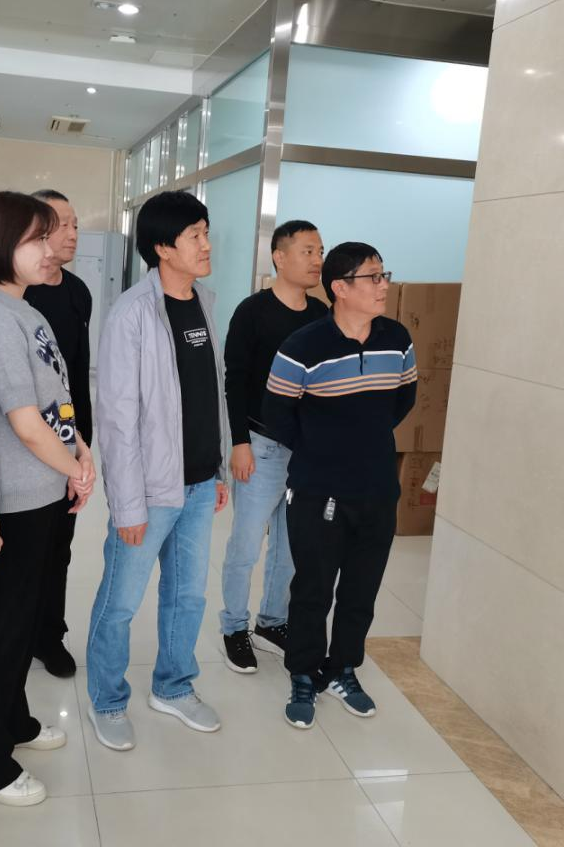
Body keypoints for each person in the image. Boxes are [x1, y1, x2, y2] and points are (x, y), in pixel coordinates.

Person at [0, 191, 95, 806]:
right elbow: (25, 423)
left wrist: (79, 449)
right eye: (36, 238)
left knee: (20, 623)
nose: (50, 248)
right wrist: (77, 470)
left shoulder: (24, 307)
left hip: (43, 489)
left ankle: (13, 723)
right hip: (13, 498)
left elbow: (55, 400)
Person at [86, 190, 229, 752]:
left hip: (199, 483)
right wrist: (127, 505)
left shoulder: (204, 303)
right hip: (148, 489)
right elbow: (117, 419)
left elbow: (210, 394)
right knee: (121, 602)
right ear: (163, 248)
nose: (207, 244)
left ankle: (173, 686)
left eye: (205, 232)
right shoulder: (133, 314)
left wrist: (217, 468)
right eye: (195, 235)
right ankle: (107, 699)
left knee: (188, 596)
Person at [263, 242, 417, 730]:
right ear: (340, 288)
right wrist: (322, 449)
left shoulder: (397, 338)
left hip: (377, 489)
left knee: (361, 590)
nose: (384, 285)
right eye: (373, 277)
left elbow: (404, 399)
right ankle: (303, 673)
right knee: (313, 589)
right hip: (317, 492)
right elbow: (277, 413)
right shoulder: (303, 346)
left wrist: (363, 442)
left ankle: (343, 669)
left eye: (383, 274)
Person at [219, 220, 328, 673]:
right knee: (246, 545)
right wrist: (239, 443)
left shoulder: (320, 314)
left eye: (320, 251)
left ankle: (272, 622)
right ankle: (233, 626)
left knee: (290, 545)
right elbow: (235, 380)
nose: (317, 260)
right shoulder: (252, 312)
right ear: (279, 257)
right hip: (261, 445)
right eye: (308, 251)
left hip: (306, 450)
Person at [23, 189, 93, 678]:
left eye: (75, 224)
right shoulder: (11, 293)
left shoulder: (77, 291)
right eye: (61, 224)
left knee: (58, 546)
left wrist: (82, 443)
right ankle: (14, 632)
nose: (72, 234)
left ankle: (49, 636)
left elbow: (78, 374)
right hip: (22, 443)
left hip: (70, 441)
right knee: (19, 550)